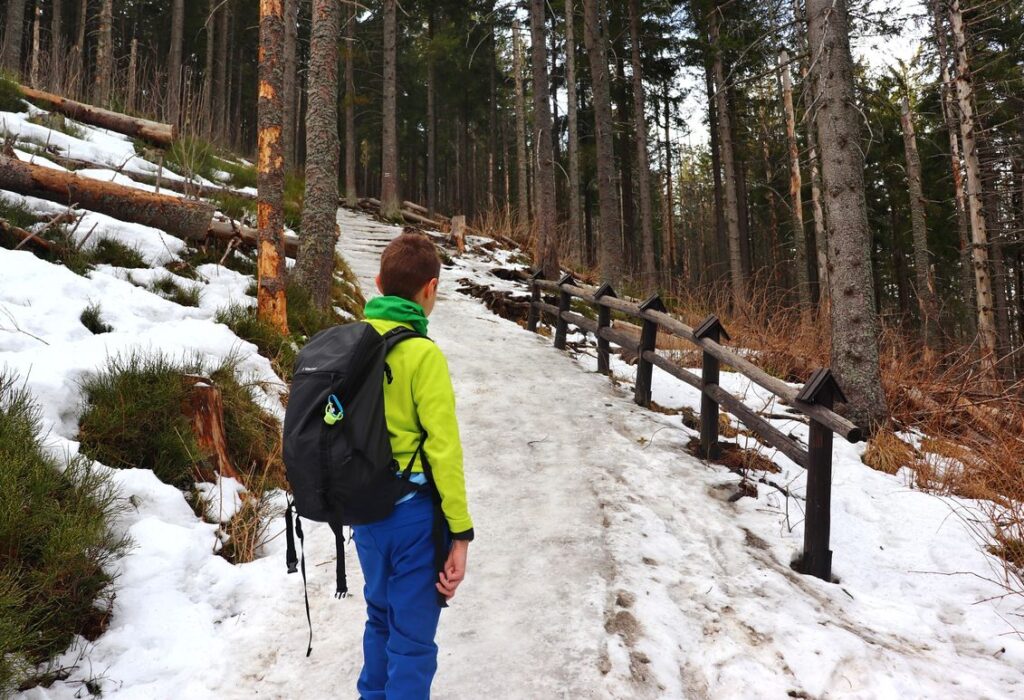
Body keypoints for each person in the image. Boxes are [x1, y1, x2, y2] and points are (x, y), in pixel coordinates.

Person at [354, 232, 474, 700]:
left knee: (380, 621)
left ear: (380, 282)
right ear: (431, 289)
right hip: (413, 522)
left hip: (364, 517)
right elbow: (444, 451)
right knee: (413, 644)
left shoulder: (354, 342)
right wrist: (460, 534)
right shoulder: (423, 355)